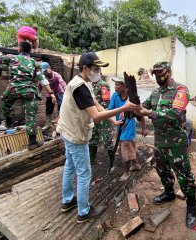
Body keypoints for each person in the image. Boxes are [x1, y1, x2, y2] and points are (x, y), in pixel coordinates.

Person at [56, 52, 140, 223]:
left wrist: (113, 120)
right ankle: (84, 211)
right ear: (85, 68)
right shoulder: (80, 87)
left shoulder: (83, 83)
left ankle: (67, 201)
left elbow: (96, 104)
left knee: (70, 166)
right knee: (84, 173)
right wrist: (124, 108)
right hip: (75, 136)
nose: (98, 73)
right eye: (95, 69)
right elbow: (95, 115)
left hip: (67, 131)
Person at [137, 62, 196, 228]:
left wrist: (149, 113)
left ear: (168, 72)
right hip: (160, 141)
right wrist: (136, 107)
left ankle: (191, 206)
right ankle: (169, 192)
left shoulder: (180, 90)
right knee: (162, 169)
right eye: (155, 74)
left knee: (184, 174)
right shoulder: (156, 92)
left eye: (160, 73)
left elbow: (175, 113)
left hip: (176, 142)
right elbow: (144, 105)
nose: (157, 77)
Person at [0, 42, 56, 150]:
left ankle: (9, 121)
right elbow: (42, 79)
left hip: (13, 89)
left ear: (20, 49)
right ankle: (32, 142)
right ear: (30, 51)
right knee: (30, 116)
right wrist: (51, 93)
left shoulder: (12, 58)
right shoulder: (34, 63)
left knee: (5, 103)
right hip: (29, 91)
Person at [108, 76, 147, 181]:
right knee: (128, 148)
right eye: (115, 84)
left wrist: (144, 128)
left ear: (125, 86)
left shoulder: (132, 98)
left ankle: (127, 172)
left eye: (118, 85)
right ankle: (136, 164)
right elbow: (109, 110)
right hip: (120, 126)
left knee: (125, 148)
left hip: (129, 127)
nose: (115, 87)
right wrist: (112, 120)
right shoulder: (115, 96)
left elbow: (141, 113)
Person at [88, 75, 115, 163]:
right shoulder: (89, 84)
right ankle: (92, 160)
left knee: (107, 140)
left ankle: (112, 162)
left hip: (103, 117)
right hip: (93, 117)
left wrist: (96, 111)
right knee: (92, 139)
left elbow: (106, 103)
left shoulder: (103, 85)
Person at [39, 62, 66, 132]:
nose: (44, 73)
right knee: (48, 108)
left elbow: (62, 82)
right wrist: (39, 93)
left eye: (45, 71)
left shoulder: (56, 75)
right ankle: (48, 124)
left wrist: (66, 89)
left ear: (49, 69)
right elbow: (39, 85)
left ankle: (62, 122)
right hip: (49, 94)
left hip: (58, 91)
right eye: (43, 72)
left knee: (62, 105)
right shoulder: (43, 77)